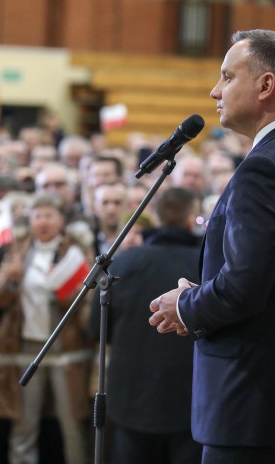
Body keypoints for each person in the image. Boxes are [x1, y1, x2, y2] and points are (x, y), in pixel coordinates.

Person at [148, 29, 275, 463]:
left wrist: (185, 304)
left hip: (252, 406)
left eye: (227, 76)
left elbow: (245, 286)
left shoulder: (266, 168)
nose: (214, 90)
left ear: (265, 85)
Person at [0, 193, 93, 464]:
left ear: (61, 220)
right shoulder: (18, 249)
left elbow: (87, 296)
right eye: (38, 216)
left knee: (72, 423)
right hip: (27, 347)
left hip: (66, 348)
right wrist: (12, 281)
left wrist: (62, 288)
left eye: (49, 215)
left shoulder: (77, 250)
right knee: (24, 424)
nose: (43, 222)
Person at [89, 187, 203, 464]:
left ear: (157, 218)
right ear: (191, 220)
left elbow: (96, 328)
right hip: (191, 396)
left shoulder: (124, 263)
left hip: (132, 397)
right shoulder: (208, 264)